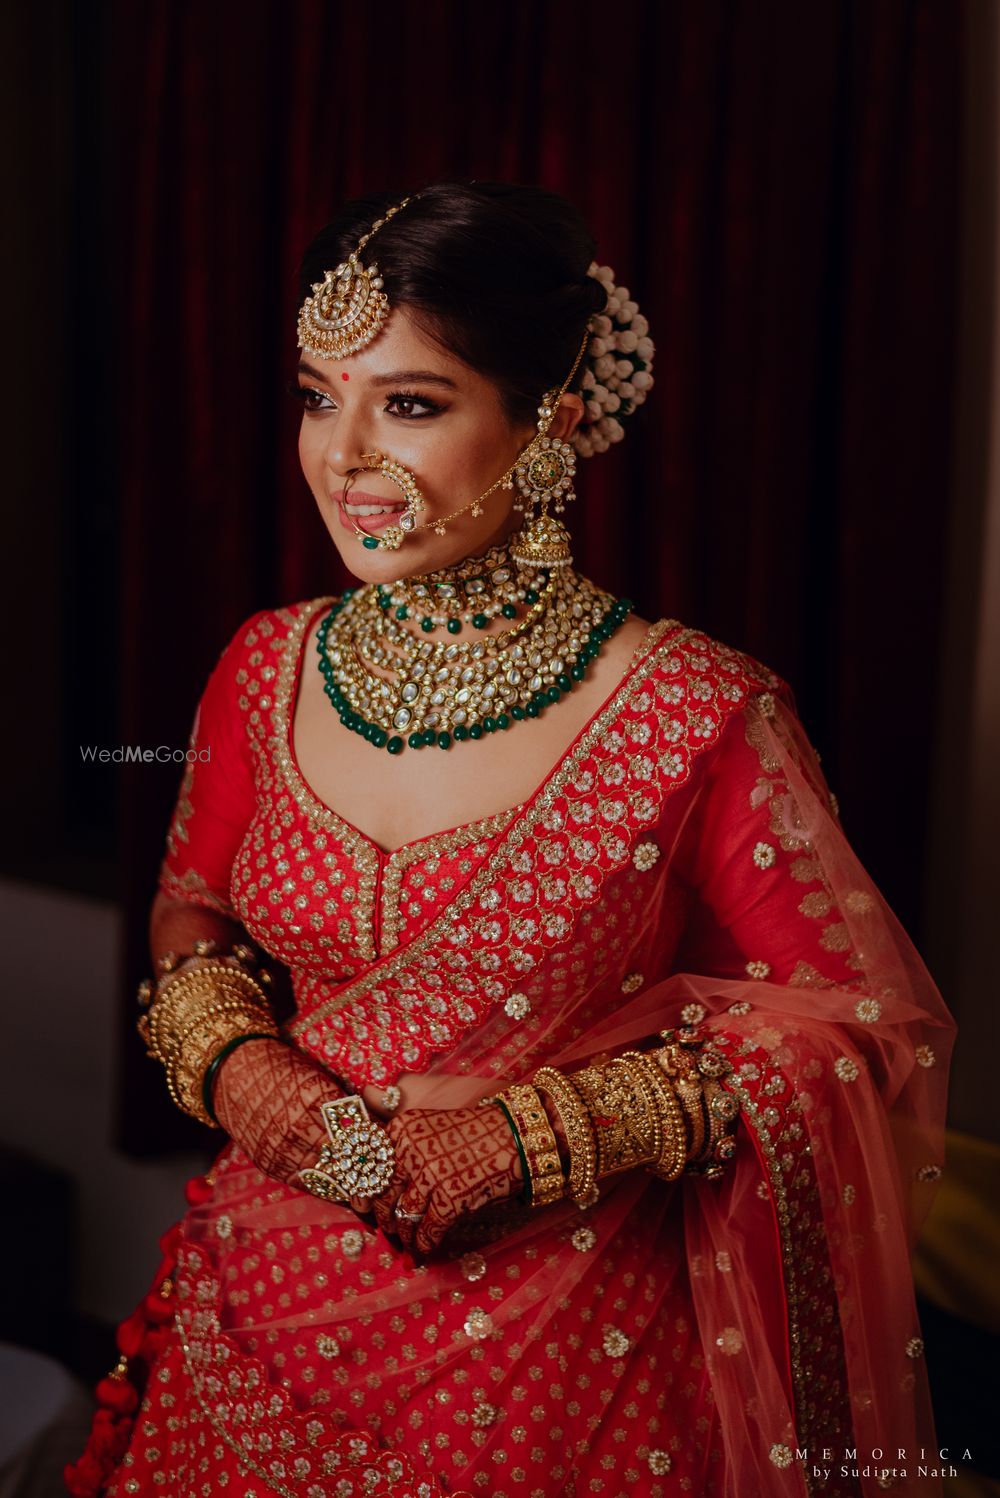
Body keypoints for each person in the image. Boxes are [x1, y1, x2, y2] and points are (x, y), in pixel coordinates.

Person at [67, 182, 955, 1498]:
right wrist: (233, 1055)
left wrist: (549, 1133)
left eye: (410, 404)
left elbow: (859, 1027)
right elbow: (191, 902)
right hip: (256, 1312)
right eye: (320, 395)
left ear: (555, 427)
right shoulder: (265, 667)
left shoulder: (695, 712)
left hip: (567, 1367)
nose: (344, 455)